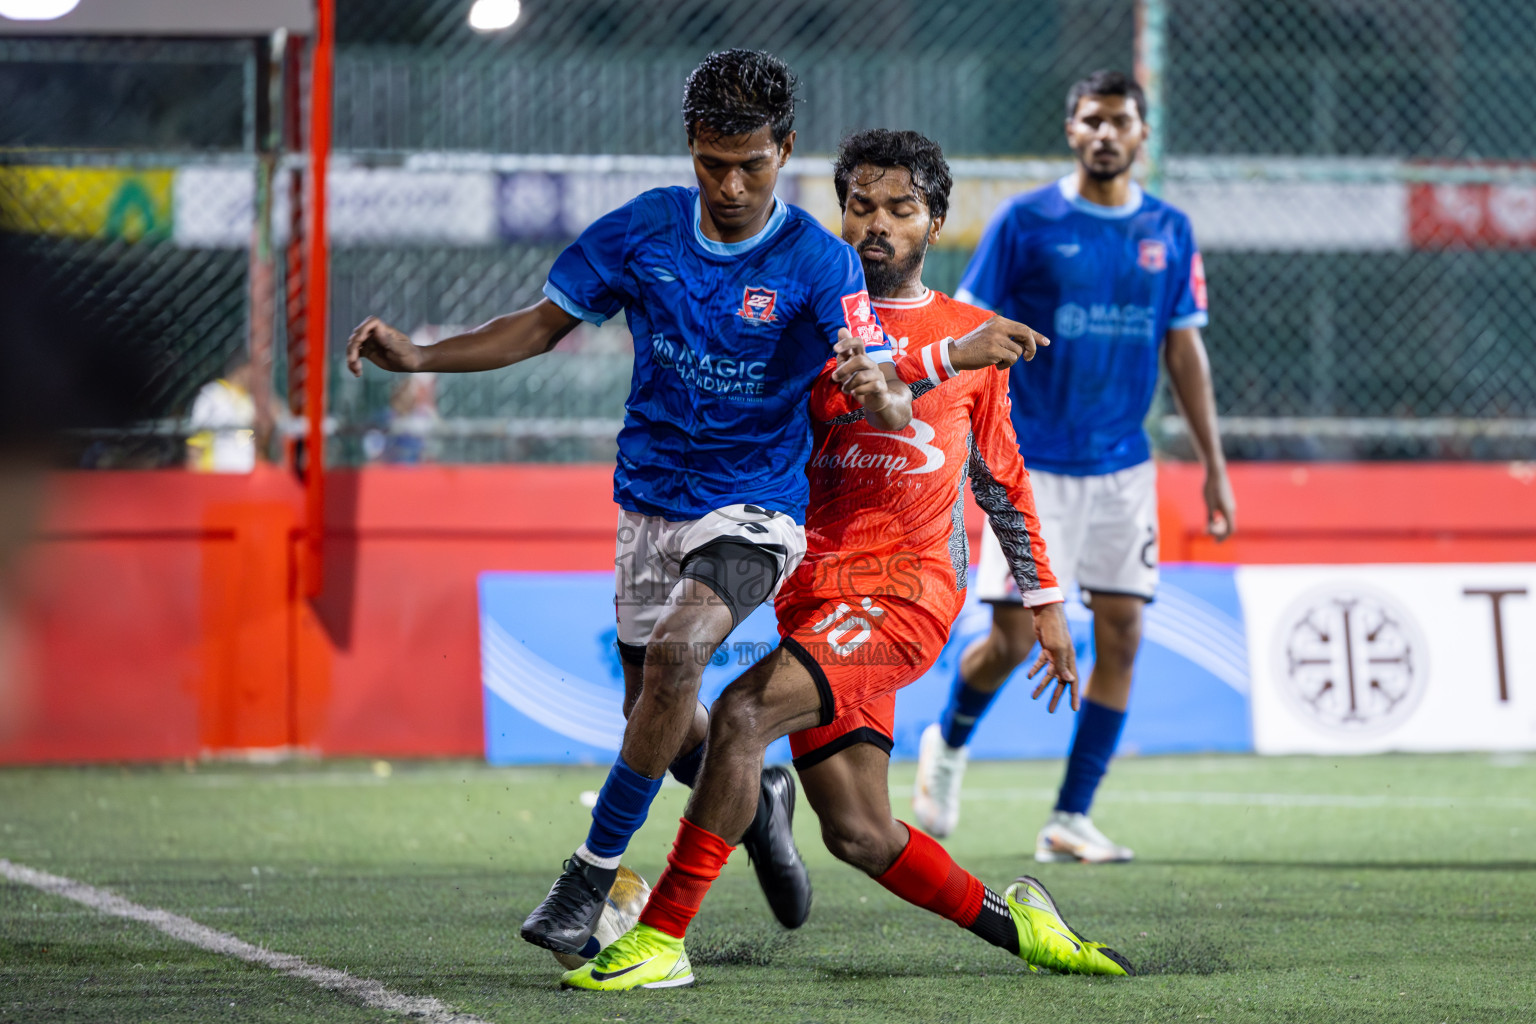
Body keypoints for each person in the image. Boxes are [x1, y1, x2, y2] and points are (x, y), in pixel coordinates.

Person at [349, 48, 938, 961]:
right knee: (655, 717)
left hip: (755, 506)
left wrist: (885, 394)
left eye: (751, 163)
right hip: (650, 502)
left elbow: (877, 376)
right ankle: (758, 808)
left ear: (785, 149)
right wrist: (422, 357)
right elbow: (539, 327)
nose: (732, 184)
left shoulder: (821, 263)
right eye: (713, 163)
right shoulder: (643, 231)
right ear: (690, 149)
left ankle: (586, 879)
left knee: (679, 653)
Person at [559, 129, 1132, 992]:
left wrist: (1044, 601)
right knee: (861, 832)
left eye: (900, 209)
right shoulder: (810, 319)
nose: (876, 225)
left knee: (743, 713)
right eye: (860, 205)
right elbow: (840, 386)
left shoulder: (971, 335)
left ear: (935, 221)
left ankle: (663, 937)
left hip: (906, 590)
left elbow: (1001, 478)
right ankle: (1025, 930)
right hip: (811, 591)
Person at [912, 69, 1236, 864]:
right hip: (1035, 467)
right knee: (1013, 639)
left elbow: (1184, 346)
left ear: (1141, 136)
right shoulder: (1027, 221)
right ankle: (948, 744)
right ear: (1071, 129)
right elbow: (969, 324)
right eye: (1091, 119)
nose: (1105, 133)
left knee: (1123, 631)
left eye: (1119, 122)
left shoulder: (1171, 230)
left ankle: (1070, 818)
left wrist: (1213, 465)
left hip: (1125, 467)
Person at [185, 354, 256, 473]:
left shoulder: (250, 400)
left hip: (245, 477)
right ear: (241, 369)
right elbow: (196, 442)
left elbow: (246, 441)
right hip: (216, 476)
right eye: (253, 371)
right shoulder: (211, 395)